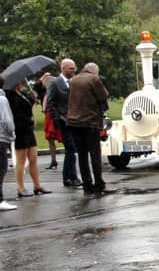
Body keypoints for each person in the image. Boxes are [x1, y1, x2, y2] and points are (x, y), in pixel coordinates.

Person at [66, 62, 110, 195]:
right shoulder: (94, 79)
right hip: (90, 121)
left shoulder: (74, 80)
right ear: (94, 71)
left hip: (74, 122)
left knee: (82, 155)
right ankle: (99, 183)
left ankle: (87, 184)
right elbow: (104, 95)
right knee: (95, 154)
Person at [8, 79, 52, 198]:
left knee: (33, 158)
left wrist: (32, 98)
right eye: (19, 82)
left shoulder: (21, 94)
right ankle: (20, 187)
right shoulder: (11, 96)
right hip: (20, 130)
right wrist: (29, 120)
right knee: (21, 160)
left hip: (28, 130)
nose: (21, 84)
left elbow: (27, 106)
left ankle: (37, 185)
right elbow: (17, 114)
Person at [46, 58, 81, 188]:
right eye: (71, 68)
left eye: (74, 68)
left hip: (74, 120)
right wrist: (58, 118)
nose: (74, 71)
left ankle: (70, 176)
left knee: (72, 149)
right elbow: (50, 103)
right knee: (70, 148)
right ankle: (70, 177)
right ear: (63, 68)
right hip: (63, 121)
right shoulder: (56, 83)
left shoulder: (75, 82)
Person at [36, 72, 60, 170]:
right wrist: (43, 77)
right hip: (48, 116)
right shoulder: (44, 93)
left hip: (56, 116)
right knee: (50, 139)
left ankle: (69, 158)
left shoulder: (57, 91)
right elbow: (36, 86)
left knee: (64, 138)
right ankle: (53, 160)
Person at [0, 75, 16, 211]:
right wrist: (11, 134)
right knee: (2, 168)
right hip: (1, 137)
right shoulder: (2, 99)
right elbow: (7, 121)